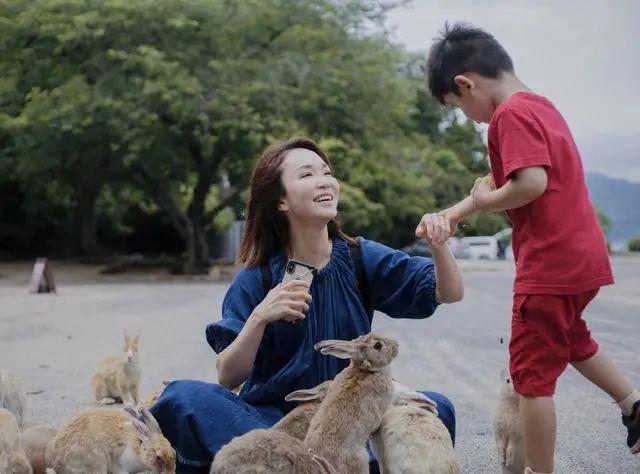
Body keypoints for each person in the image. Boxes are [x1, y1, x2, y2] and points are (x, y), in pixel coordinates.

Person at [151, 137, 463, 473]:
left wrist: (439, 245)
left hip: (348, 423)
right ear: (281, 201)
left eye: (326, 172)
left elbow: (448, 292)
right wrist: (260, 317)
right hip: (274, 423)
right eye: (307, 174)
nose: (324, 180)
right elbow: (228, 375)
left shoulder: (360, 257)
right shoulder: (257, 278)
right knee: (182, 398)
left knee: (436, 408)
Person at [422, 22, 640, 473]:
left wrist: (486, 201)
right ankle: (633, 403)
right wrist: (458, 213)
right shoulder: (541, 107)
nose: (470, 117)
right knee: (571, 339)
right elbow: (507, 185)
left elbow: (530, 184)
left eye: (459, 107)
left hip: (550, 264)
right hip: (582, 258)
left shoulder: (507, 117)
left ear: (466, 83)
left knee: (531, 381)